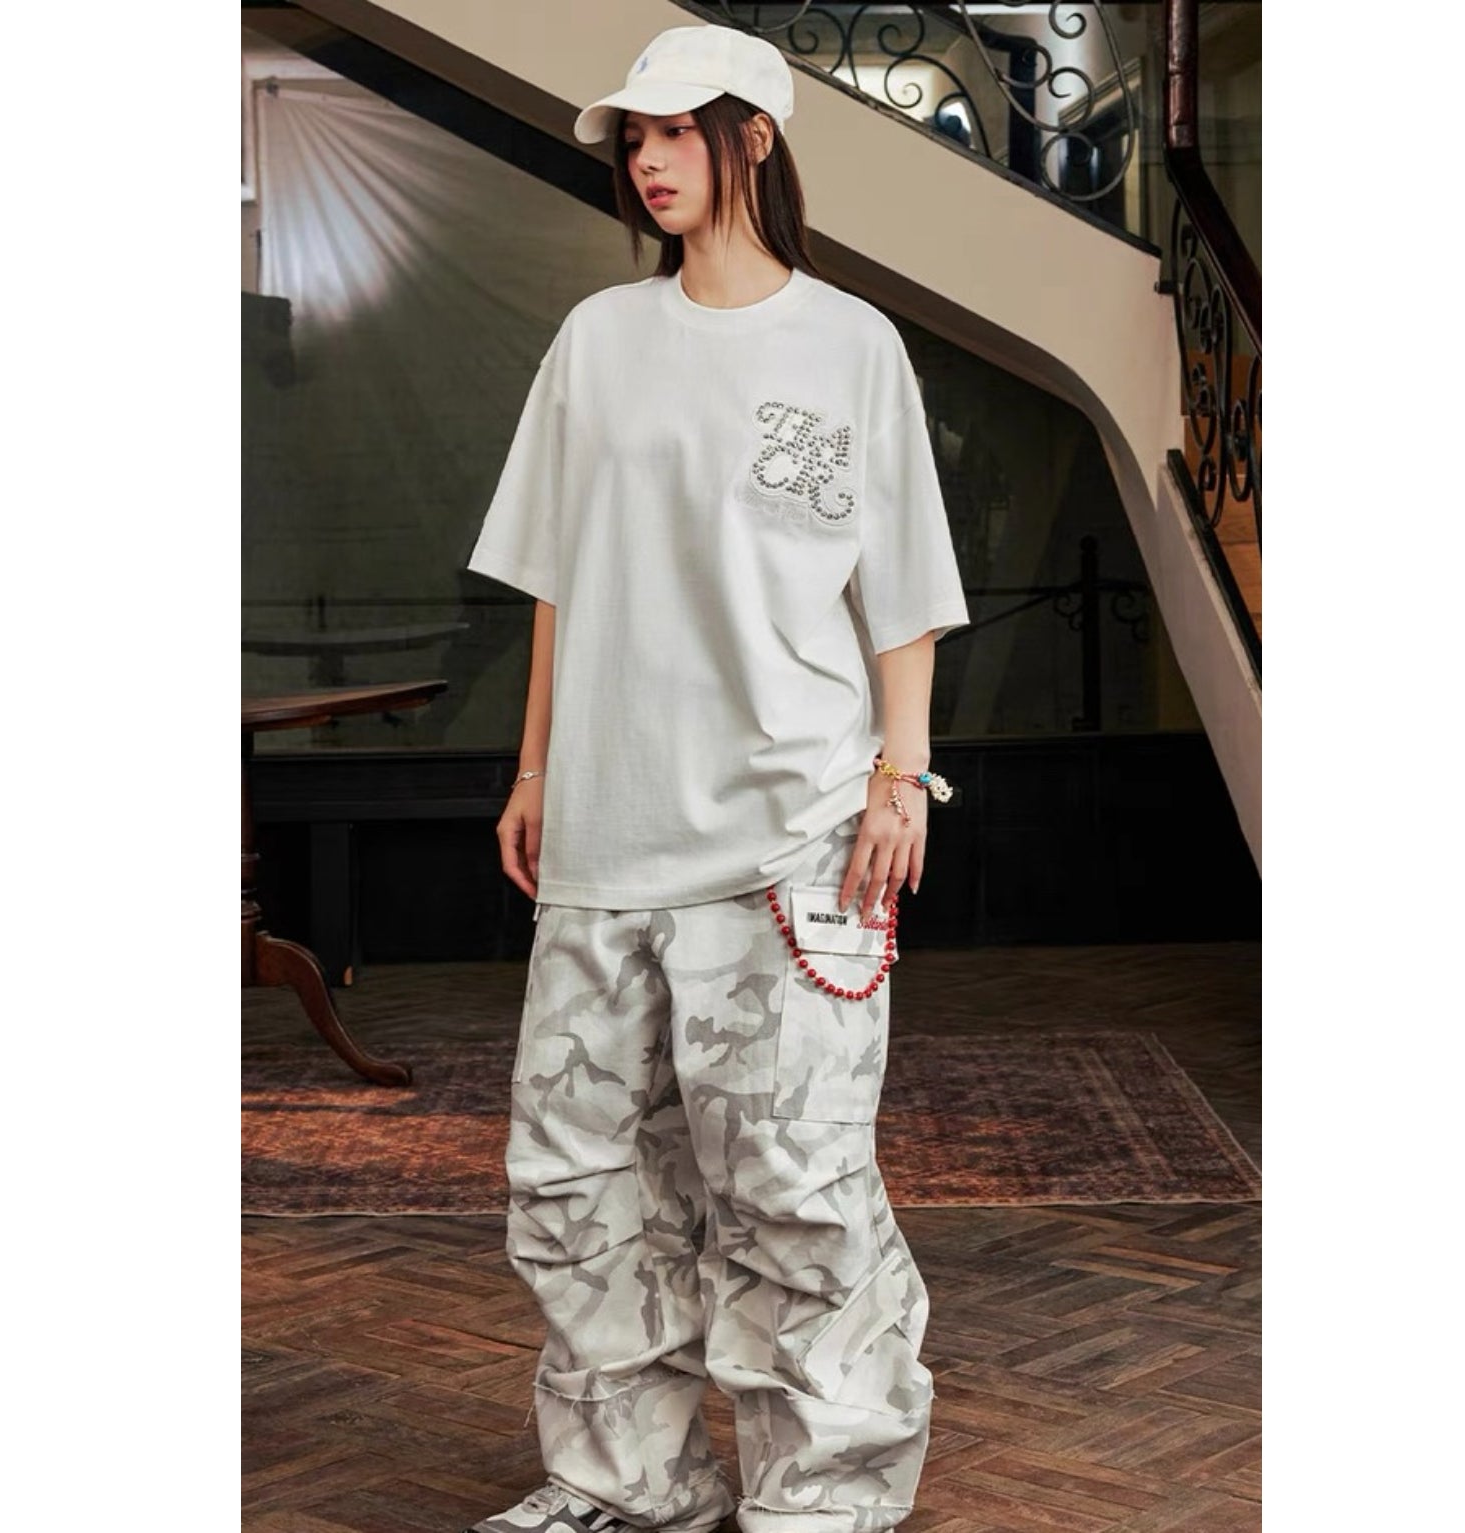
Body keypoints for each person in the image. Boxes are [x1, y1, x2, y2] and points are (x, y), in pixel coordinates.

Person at [462, 22, 969, 1533]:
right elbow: (556, 577)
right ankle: (627, 1485)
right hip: (607, 830)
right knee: (581, 1184)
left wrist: (900, 777)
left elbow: (904, 591)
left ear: (755, 136)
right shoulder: (596, 341)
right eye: (634, 138)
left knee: (794, 1185)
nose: (648, 159)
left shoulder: (850, 344)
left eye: (676, 131)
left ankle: (826, 1494)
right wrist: (535, 767)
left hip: (787, 835)